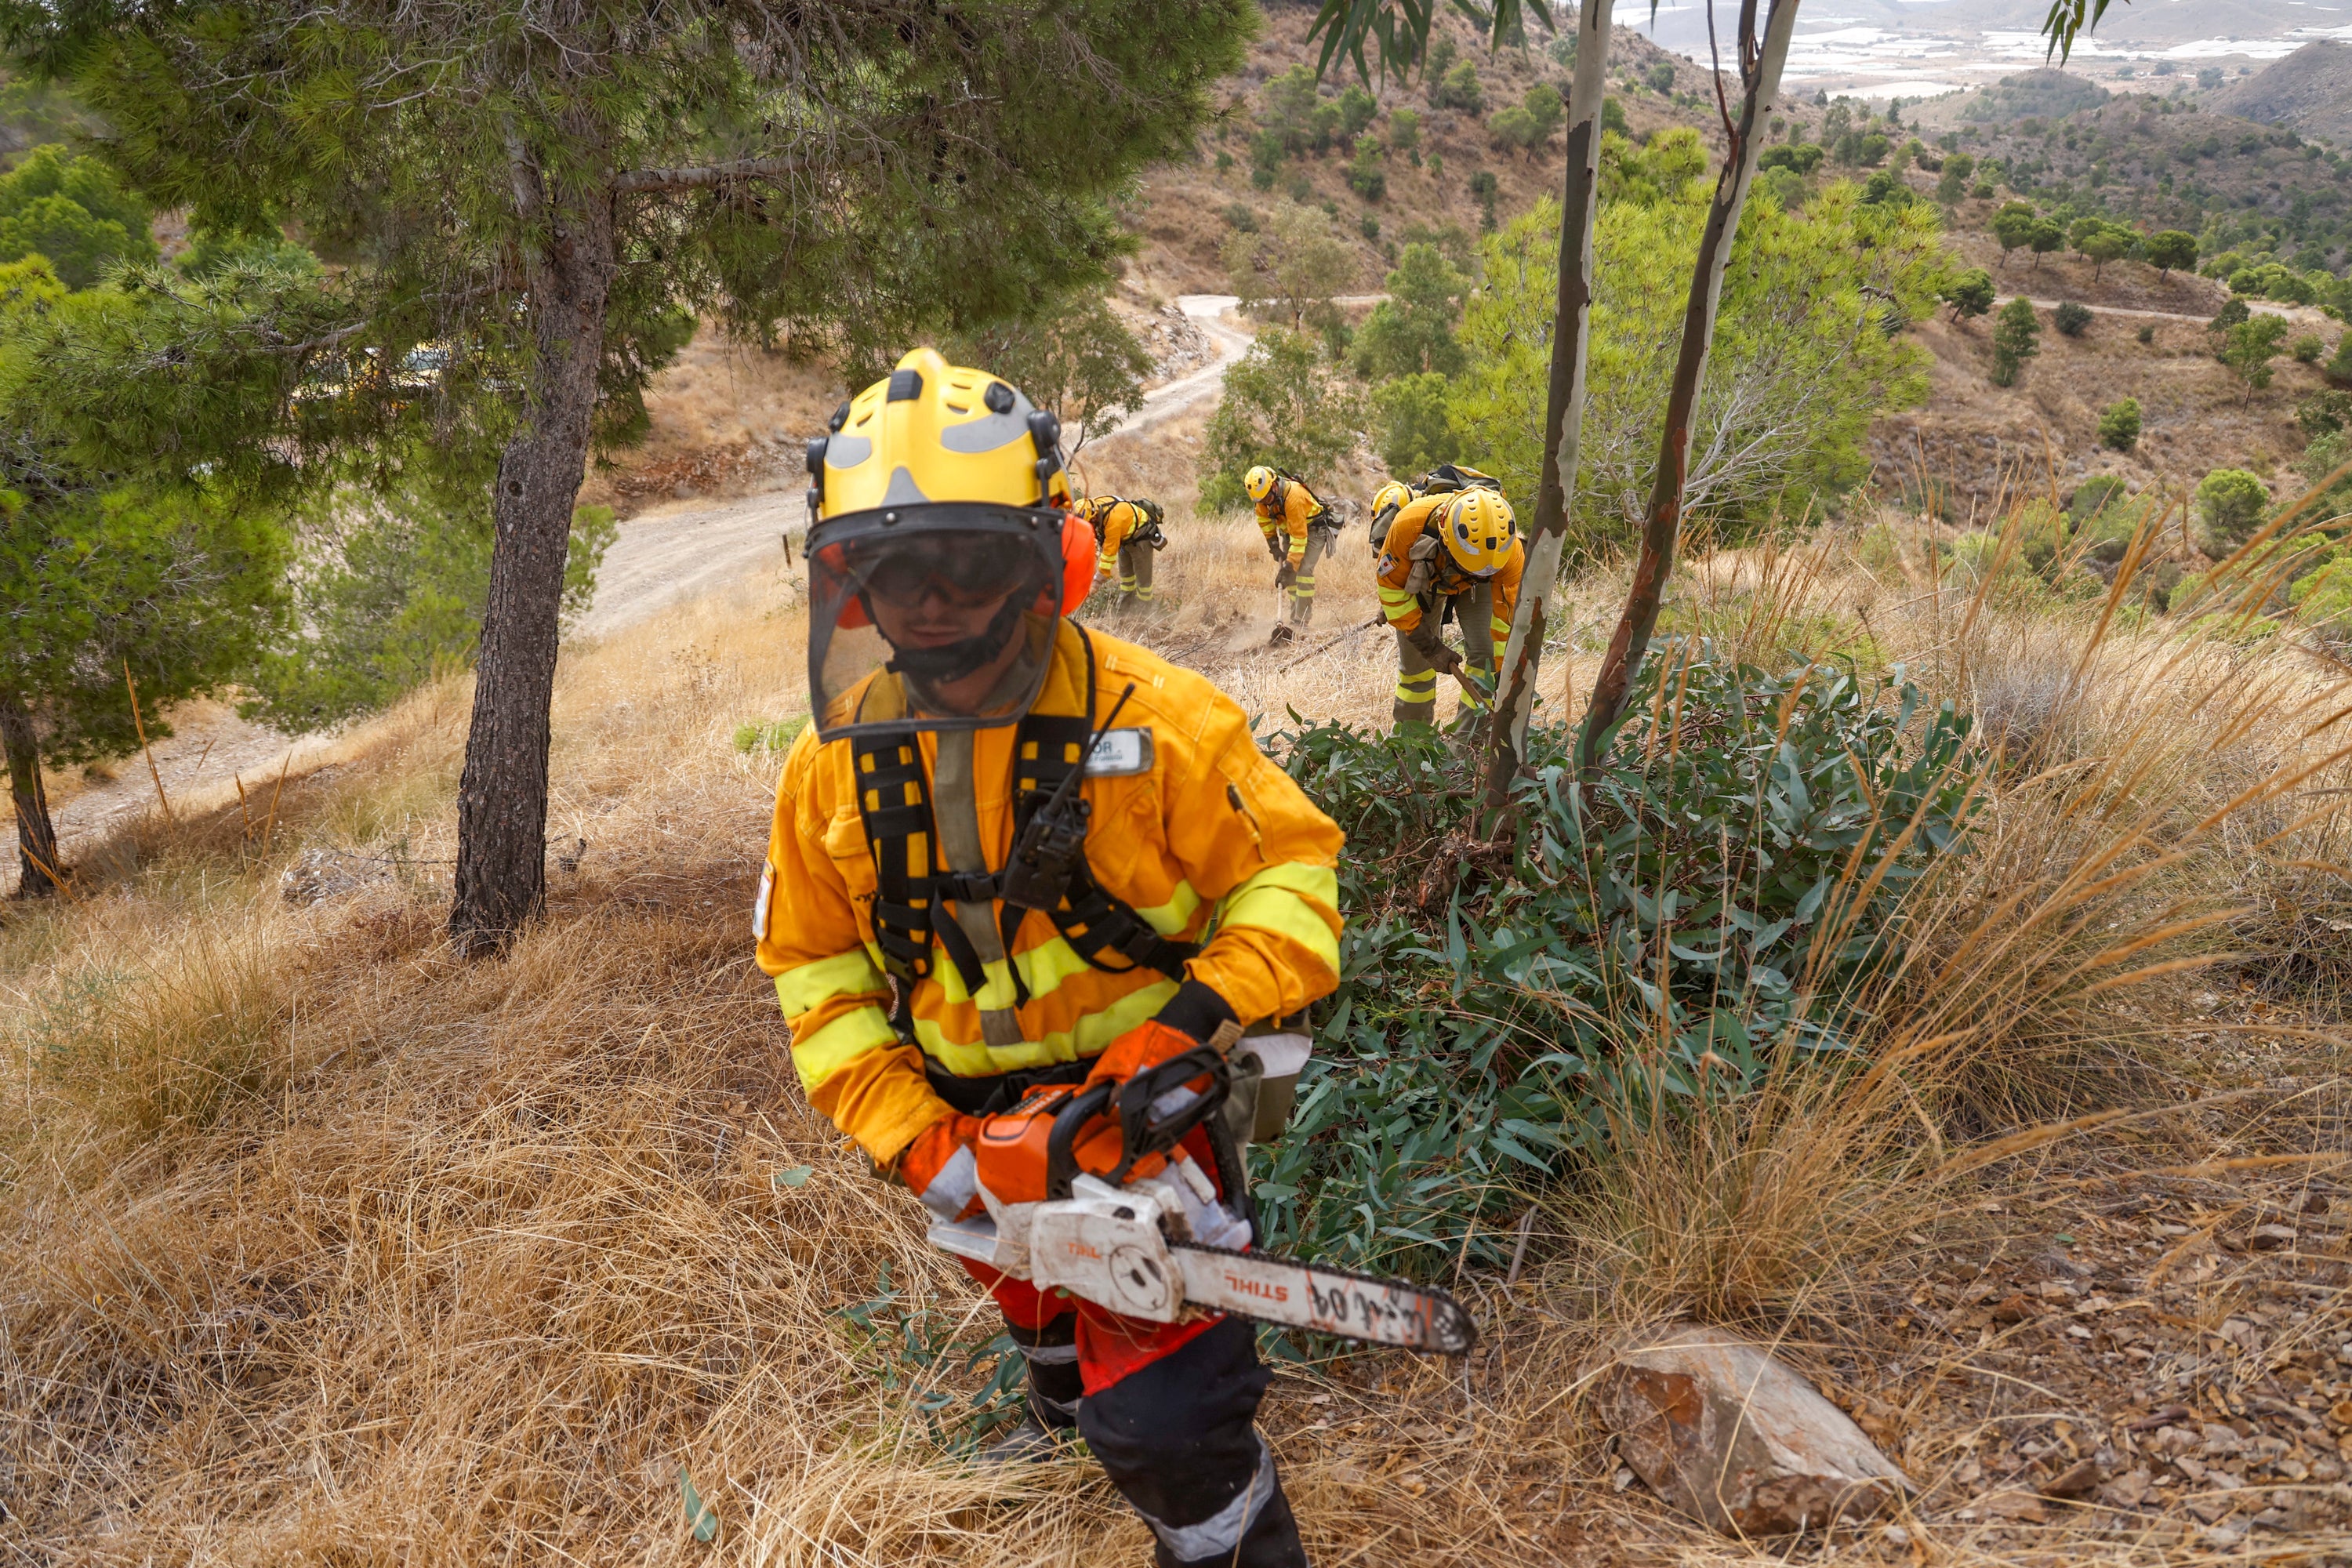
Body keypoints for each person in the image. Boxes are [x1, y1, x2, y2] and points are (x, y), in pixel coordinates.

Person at [760, 347, 1342, 1567]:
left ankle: (1224, 1536)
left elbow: (1292, 876)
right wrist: (920, 1140)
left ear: (1041, 561)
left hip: (1142, 1115)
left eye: (965, 562)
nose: (931, 599)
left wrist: (1181, 1030)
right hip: (963, 1128)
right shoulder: (830, 771)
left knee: (1166, 1425)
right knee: (1049, 1341)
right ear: (848, 583)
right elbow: (815, 976)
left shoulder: (1159, 720)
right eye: (894, 567)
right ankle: (1056, 1397)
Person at [1374, 488, 1523, 731]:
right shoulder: (1409, 526)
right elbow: (1391, 589)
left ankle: (1468, 741)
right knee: (1416, 668)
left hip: (1480, 585)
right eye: (1470, 567)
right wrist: (1430, 647)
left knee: (1486, 657)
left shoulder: (1509, 553)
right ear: (1445, 538)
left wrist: (1501, 677)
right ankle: (1412, 740)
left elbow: (1506, 623)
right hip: (1427, 577)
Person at [1243, 465, 1335, 644]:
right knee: (1290, 577)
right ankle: (1295, 615)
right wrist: (1273, 544)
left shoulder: (1294, 497)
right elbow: (1264, 520)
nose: (1266, 502)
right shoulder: (1262, 499)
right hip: (1290, 531)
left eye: (1269, 498)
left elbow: (1300, 539)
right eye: (1262, 501)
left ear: (1274, 486)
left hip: (1314, 530)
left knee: (1303, 571)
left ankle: (1301, 621)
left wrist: (1288, 566)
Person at [1079, 492, 1167, 607]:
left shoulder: (1113, 522)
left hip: (1141, 538)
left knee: (1143, 583)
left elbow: (1108, 557)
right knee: (1126, 579)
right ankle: (1123, 611)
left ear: (1094, 516)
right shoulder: (1091, 507)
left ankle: (1144, 613)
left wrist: (1095, 584)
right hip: (1125, 539)